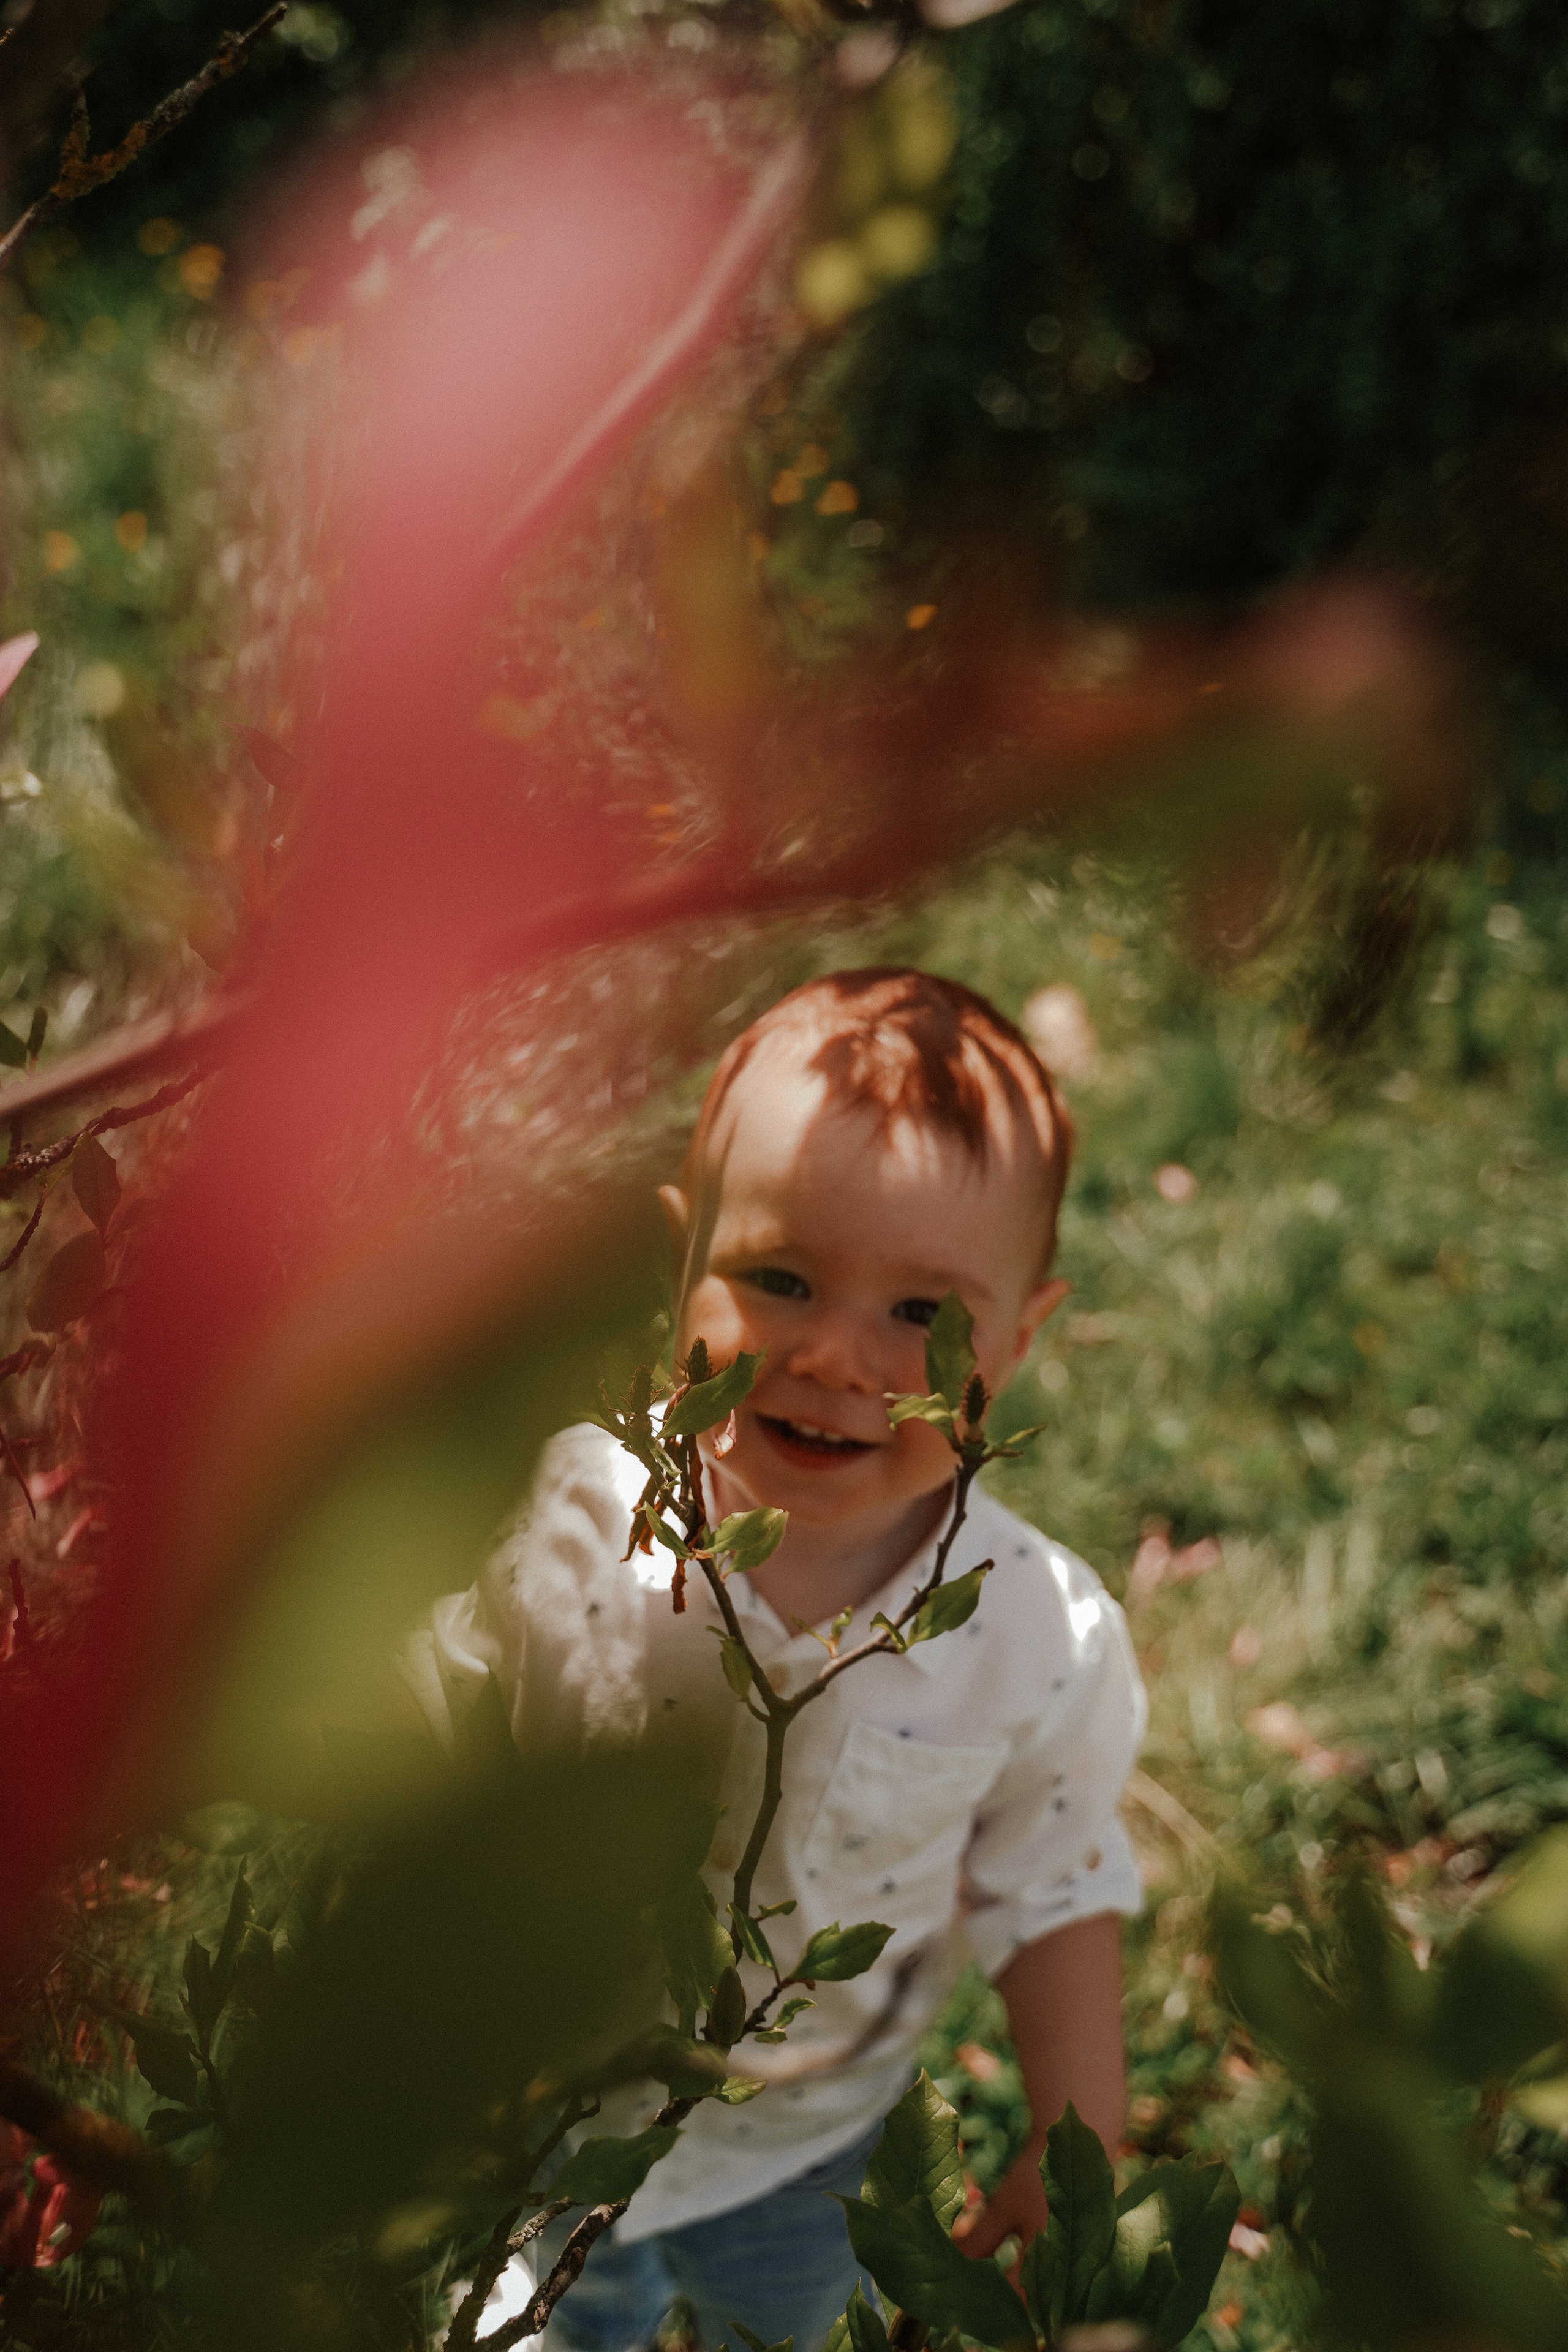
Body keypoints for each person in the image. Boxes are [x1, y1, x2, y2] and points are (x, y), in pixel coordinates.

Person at [399, 967, 1146, 2352]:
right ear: (684, 1260)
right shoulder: (581, 1525)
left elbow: (1053, 1877)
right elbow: (441, 1731)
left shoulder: (1030, 1632)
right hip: (544, 2130)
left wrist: (1070, 2134)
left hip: (813, 2153)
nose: (829, 1354)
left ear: (1024, 1336)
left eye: (921, 1314)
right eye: (779, 1278)